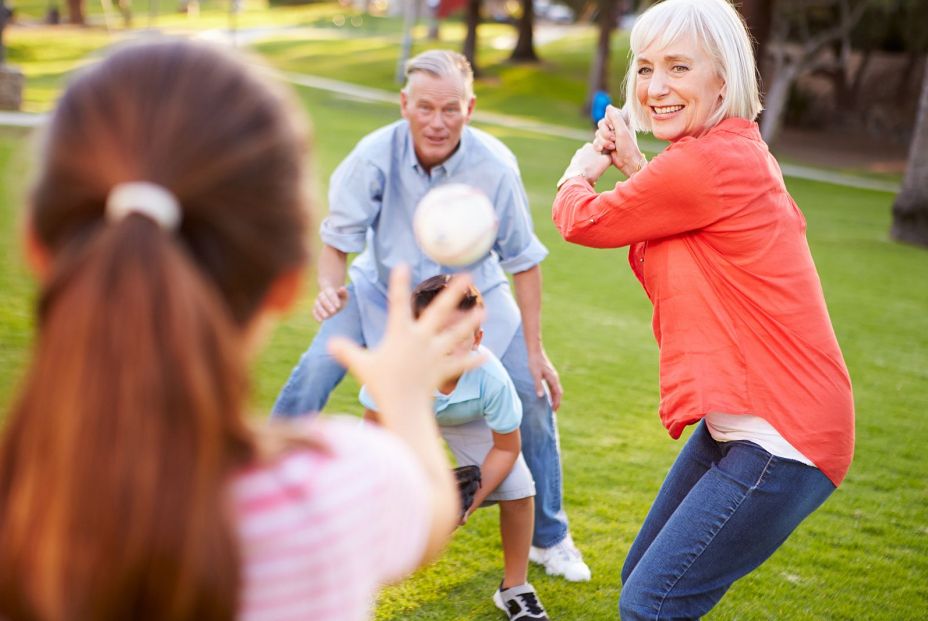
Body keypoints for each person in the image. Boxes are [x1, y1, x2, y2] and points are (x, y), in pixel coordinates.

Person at [0, 39, 487, 621]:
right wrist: (405, 397)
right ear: (285, 282)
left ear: (37, 248)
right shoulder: (333, 492)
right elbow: (432, 508)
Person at [551, 0, 855, 618]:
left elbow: (582, 220)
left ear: (723, 77)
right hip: (745, 421)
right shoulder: (728, 152)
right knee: (643, 583)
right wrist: (636, 168)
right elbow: (685, 255)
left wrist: (580, 172)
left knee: (651, 604)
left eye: (678, 67)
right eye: (645, 68)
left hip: (784, 434)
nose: (656, 87)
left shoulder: (707, 162)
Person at [273, 49, 590, 581]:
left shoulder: (495, 166)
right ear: (404, 104)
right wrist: (329, 289)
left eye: (450, 108)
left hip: (471, 299)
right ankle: (260, 489)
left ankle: (551, 537)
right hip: (382, 292)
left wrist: (535, 351)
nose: (437, 122)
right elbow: (336, 243)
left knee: (531, 391)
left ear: (470, 107)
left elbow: (524, 263)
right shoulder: (373, 157)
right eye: (425, 107)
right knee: (315, 369)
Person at [361, 275, 549, 620]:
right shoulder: (396, 367)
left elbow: (507, 449)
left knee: (519, 489)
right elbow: (374, 429)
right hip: (411, 419)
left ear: (477, 339)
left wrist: (466, 503)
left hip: (468, 419)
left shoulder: (491, 377)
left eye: (457, 335)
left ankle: (514, 586)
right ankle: (360, 580)